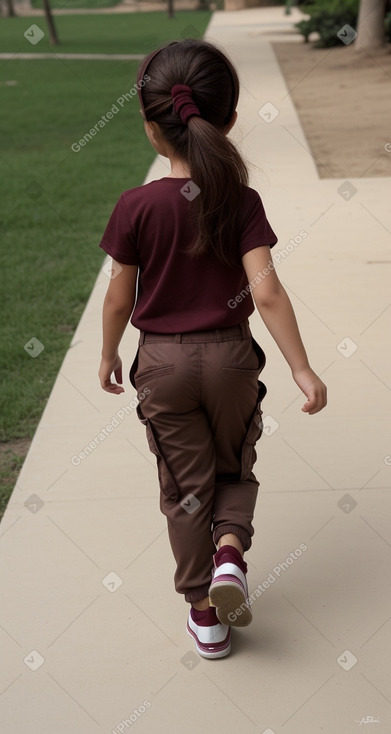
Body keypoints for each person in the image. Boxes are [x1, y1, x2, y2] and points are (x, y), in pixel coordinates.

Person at [98, 39, 327, 660]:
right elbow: (268, 290)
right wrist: (302, 368)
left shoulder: (135, 207)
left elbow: (120, 297)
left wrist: (108, 353)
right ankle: (230, 552)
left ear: (151, 127)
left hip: (164, 366)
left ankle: (206, 613)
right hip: (230, 360)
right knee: (234, 467)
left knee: (184, 487)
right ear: (225, 120)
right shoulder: (241, 200)